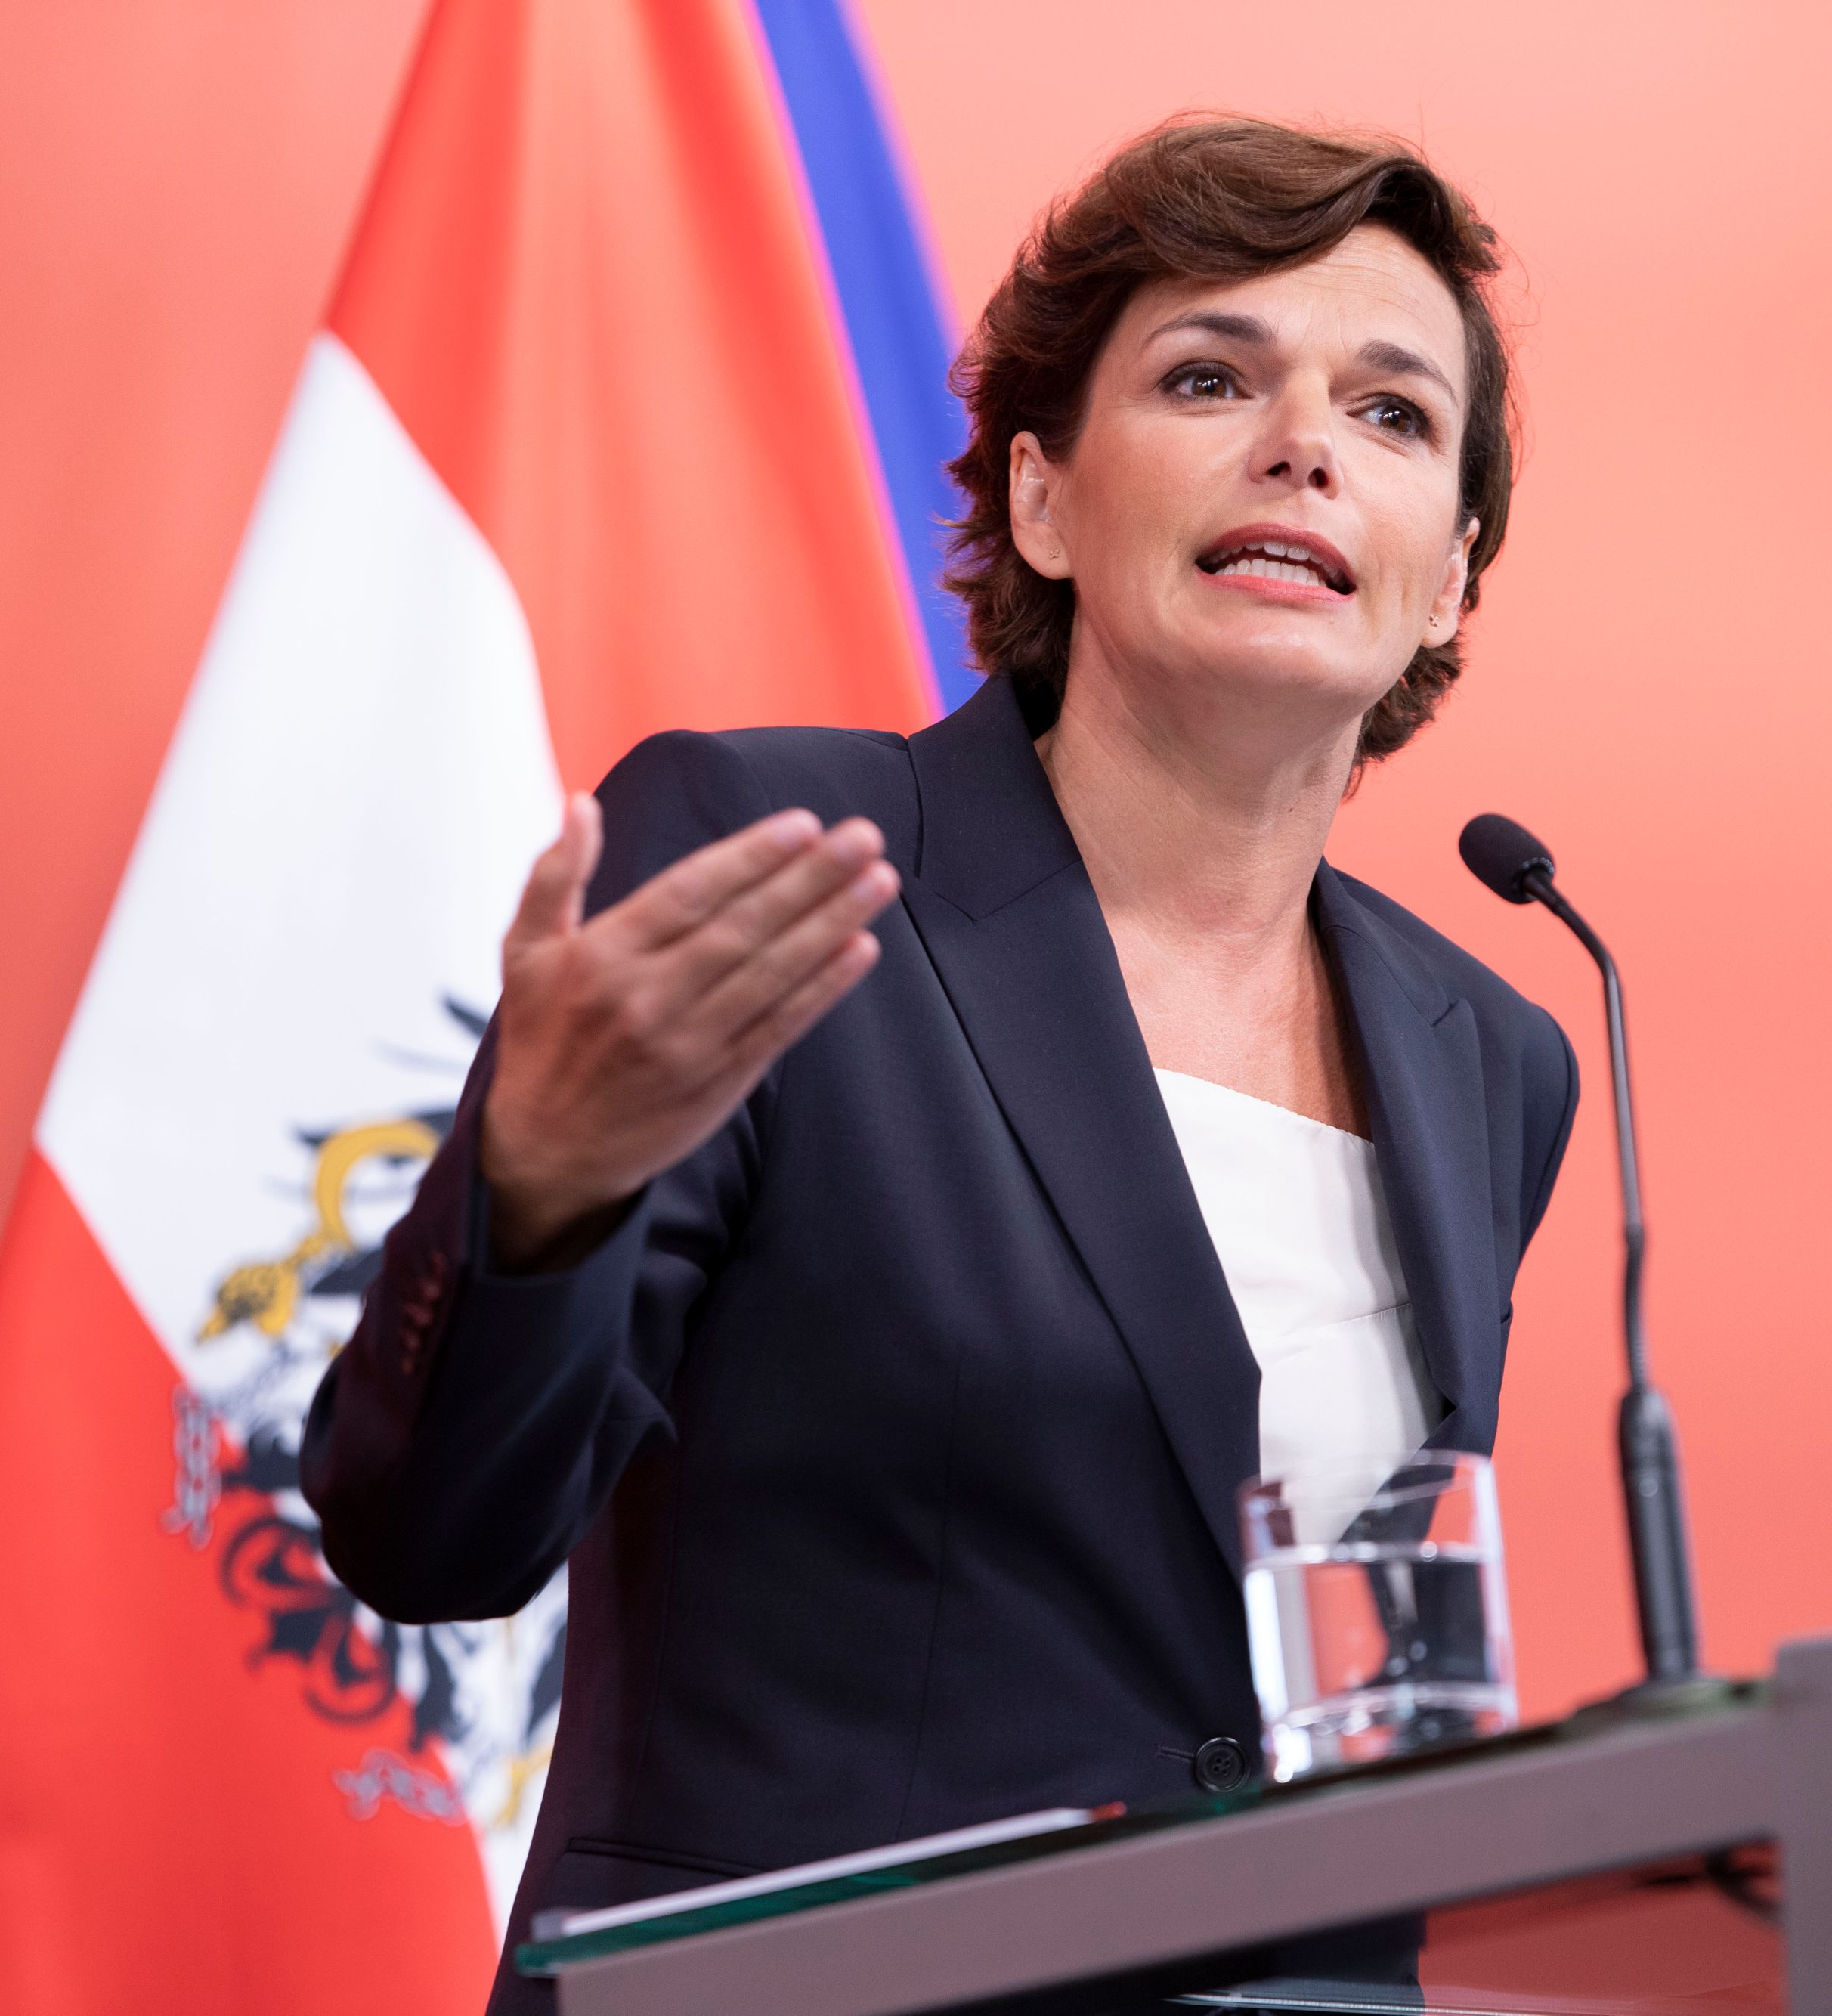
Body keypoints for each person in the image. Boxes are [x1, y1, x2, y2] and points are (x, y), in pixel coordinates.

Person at [302, 116, 1577, 2014]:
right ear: (1042, 499)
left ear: (1449, 575)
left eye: (1391, 413)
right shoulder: (782, 863)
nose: (1304, 442)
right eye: (1209, 378)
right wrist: (539, 1191)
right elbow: (431, 1538)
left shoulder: (1491, 1052)